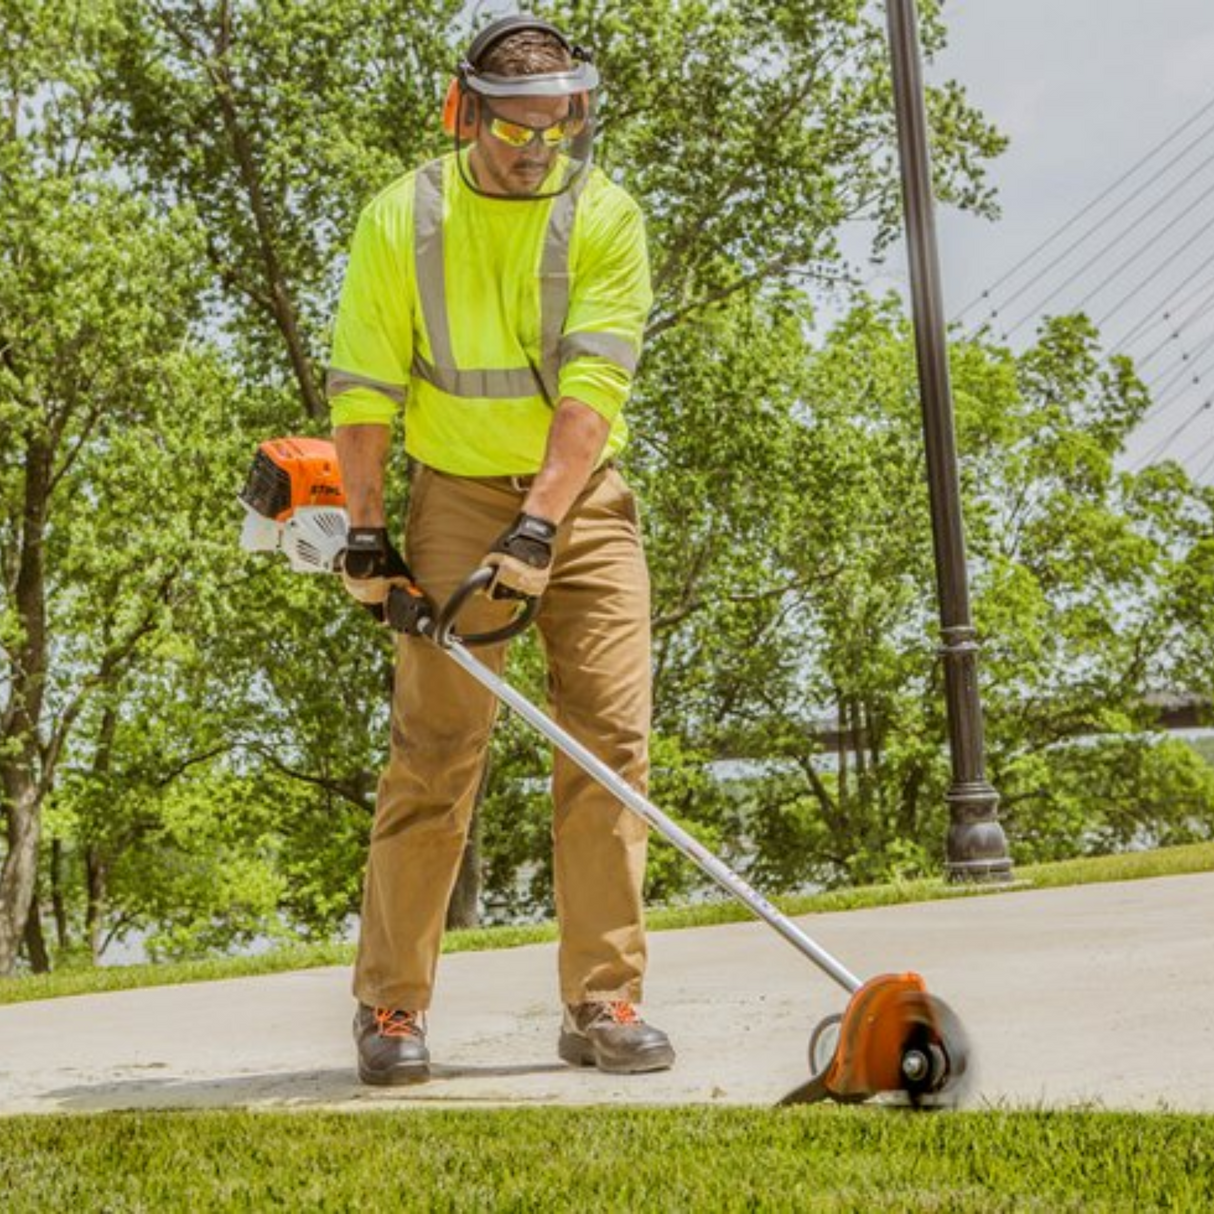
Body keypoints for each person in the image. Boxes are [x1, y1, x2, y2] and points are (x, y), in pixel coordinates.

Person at [327, 13, 674, 1086]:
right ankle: (391, 1006)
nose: (535, 152)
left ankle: (602, 998)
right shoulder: (404, 218)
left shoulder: (605, 216)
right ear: (465, 111)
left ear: (577, 115)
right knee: (434, 750)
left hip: (582, 504)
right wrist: (369, 533)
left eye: (554, 130)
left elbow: (591, 392)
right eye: (515, 131)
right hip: (453, 497)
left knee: (607, 743)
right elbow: (363, 390)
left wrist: (541, 526)